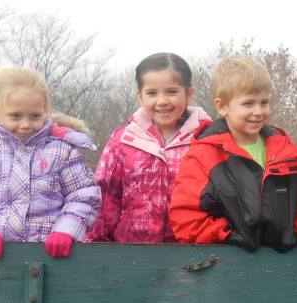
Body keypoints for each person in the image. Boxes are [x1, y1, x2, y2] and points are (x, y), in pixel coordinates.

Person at [0, 66, 100, 259]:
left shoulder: (61, 150)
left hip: (49, 257)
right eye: (16, 116)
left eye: (35, 116)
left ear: (45, 111)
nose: (25, 124)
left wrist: (66, 230)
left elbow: (84, 195)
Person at [170, 55, 297, 251]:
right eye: (248, 104)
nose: (258, 112)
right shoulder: (203, 156)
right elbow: (186, 217)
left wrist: (296, 233)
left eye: (264, 103)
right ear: (222, 106)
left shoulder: (288, 151)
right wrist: (226, 235)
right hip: (228, 263)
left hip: (285, 260)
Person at [87, 52, 210, 244]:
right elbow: (106, 196)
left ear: (189, 94)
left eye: (171, 92)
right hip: (131, 253)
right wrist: (96, 243)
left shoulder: (206, 139)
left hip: (191, 253)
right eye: (152, 93)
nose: (162, 101)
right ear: (140, 97)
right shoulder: (124, 140)